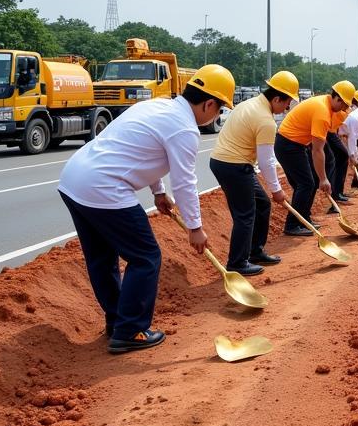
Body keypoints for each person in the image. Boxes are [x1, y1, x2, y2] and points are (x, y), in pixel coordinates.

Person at [58, 64, 234, 354]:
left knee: (101, 259)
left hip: (74, 180)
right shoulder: (185, 129)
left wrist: (158, 192)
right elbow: (185, 181)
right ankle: (131, 330)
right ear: (209, 103)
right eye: (220, 109)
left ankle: (118, 322)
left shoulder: (157, 106)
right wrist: (195, 228)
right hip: (105, 187)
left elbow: (146, 151)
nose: (217, 115)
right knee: (146, 257)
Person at [209, 71, 297, 276]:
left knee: (262, 204)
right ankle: (237, 262)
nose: (285, 109)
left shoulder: (250, 104)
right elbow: (266, 161)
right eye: (285, 104)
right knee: (245, 215)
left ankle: (255, 251)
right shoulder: (265, 120)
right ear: (276, 98)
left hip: (227, 162)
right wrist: (277, 190)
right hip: (234, 165)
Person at [274, 79, 356, 235]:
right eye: (343, 105)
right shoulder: (322, 112)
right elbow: (318, 150)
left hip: (297, 145)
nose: (343, 109)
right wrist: (324, 178)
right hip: (288, 145)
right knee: (306, 184)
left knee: (308, 183)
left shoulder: (326, 105)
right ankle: (292, 225)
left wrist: (321, 177)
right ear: (337, 98)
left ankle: (304, 218)